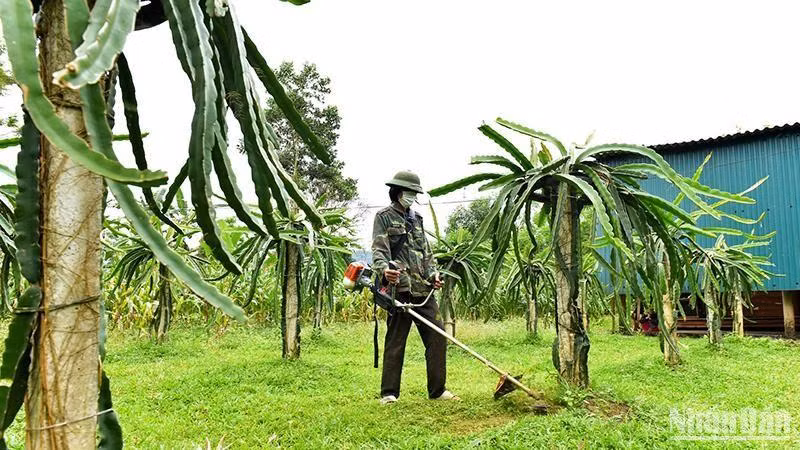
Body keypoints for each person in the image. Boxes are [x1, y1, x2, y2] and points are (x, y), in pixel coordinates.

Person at [371, 170, 459, 404]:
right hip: (399, 289)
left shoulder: (417, 219)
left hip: (423, 291)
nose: (411, 196)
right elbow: (379, 250)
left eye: (414, 193)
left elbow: (426, 254)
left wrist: (434, 275)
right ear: (398, 192)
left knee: (437, 336)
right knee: (396, 341)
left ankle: (437, 391)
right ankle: (389, 393)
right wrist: (383, 271)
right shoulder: (384, 217)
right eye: (408, 192)